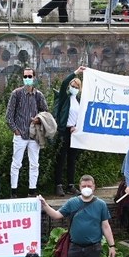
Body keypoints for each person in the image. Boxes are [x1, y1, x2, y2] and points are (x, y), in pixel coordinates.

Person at [6, 66, 49, 197]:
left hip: (34, 135)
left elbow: (46, 113)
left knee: (34, 163)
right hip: (20, 134)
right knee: (16, 163)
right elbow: (9, 115)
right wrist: (15, 130)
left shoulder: (39, 95)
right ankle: (14, 191)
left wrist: (39, 120)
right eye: (25, 76)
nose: (27, 79)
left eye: (30, 76)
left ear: (34, 78)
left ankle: (32, 190)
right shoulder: (16, 94)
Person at [53, 67, 86, 196]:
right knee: (61, 158)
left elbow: (82, 116)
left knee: (72, 159)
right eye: (73, 85)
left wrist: (76, 126)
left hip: (74, 132)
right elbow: (63, 83)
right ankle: (58, 185)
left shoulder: (79, 101)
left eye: (77, 86)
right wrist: (76, 72)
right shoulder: (64, 97)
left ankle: (71, 185)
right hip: (63, 131)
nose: (74, 87)